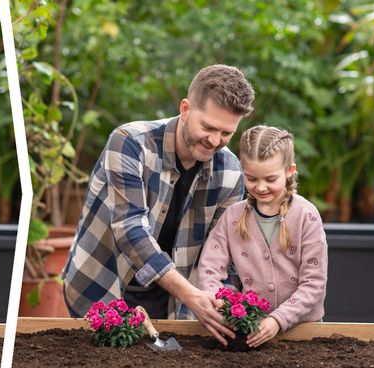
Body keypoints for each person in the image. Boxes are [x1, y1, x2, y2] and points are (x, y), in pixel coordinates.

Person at [62, 64, 254, 345]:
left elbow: (221, 252)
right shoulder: (130, 143)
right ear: (185, 109)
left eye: (226, 133)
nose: (215, 141)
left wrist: (219, 301)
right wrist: (190, 294)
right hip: (102, 284)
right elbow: (130, 230)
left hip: (171, 303)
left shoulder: (231, 172)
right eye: (208, 127)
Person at [196, 125, 328, 348]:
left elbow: (314, 283)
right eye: (251, 178)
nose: (261, 187)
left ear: (289, 171)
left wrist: (278, 320)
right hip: (249, 334)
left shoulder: (307, 215)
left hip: (304, 335)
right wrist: (221, 304)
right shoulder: (232, 217)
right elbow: (209, 269)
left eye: (270, 179)